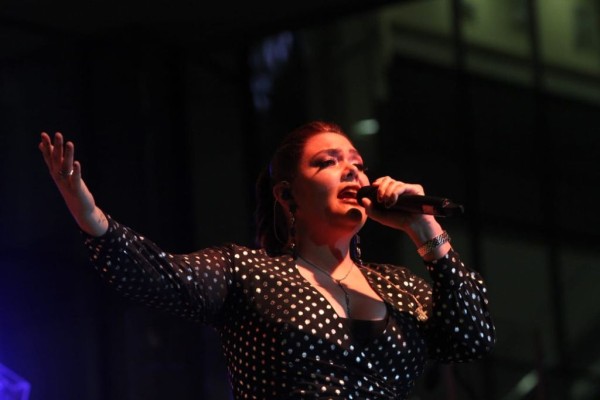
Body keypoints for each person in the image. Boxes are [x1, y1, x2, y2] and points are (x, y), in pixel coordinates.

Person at [39, 120, 495, 399]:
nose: (352, 171)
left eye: (357, 163)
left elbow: (471, 338)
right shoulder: (248, 273)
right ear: (287, 196)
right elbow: (156, 275)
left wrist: (424, 227)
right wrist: (89, 214)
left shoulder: (398, 286)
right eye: (328, 162)